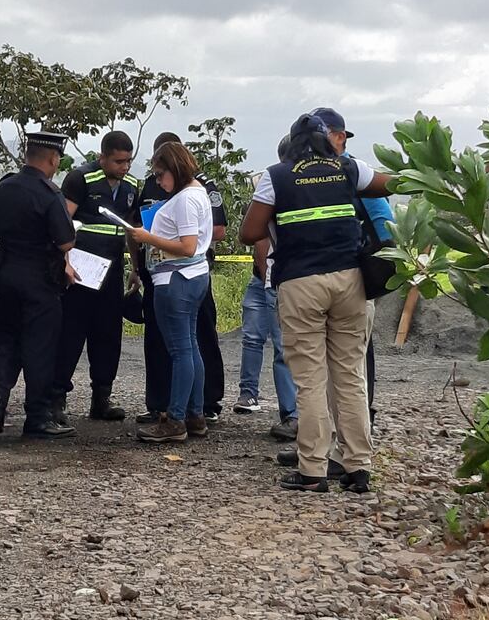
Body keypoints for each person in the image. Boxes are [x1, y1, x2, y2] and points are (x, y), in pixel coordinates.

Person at [239, 113, 392, 493]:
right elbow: (390, 185)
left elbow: (249, 232)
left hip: (301, 283)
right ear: (329, 141)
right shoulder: (348, 168)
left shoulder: (276, 176)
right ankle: (358, 467)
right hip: (350, 281)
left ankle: (313, 470)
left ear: (291, 144)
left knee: (309, 380)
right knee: (350, 376)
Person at [0, 132, 79, 439]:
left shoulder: (3, 188)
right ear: (52, 159)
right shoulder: (49, 195)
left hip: (5, 274)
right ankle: (36, 418)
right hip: (39, 280)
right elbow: (66, 241)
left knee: (8, 339)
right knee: (40, 348)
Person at [135, 132, 227, 425]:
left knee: (180, 351)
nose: (158, 182)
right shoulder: (193, 193)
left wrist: (148, 237)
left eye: (161, 175)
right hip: (187, 277)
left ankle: (176, 417)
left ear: (174, 169)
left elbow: (188, 246)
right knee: (189, 346)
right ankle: (195, 412)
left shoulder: (186, 199)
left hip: (178, 279)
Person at [51, 130, 140, 422]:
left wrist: (135, 269)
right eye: (118, 161)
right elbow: (62, 223)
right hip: (80, 270)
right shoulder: (80, 178)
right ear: (102, 157)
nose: (124, 167)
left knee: (108, 335)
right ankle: (57, 399)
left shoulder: (131, 185)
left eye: (128, 161)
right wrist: (64, 261)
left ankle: (101, 398)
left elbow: (132, 230)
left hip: (112, 271)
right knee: (71, 334)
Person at [234, 142, 297, 432]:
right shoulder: (271, 186)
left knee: (283, 348)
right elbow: (254, 238)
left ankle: (291, 413)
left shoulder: (285, 188)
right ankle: (249, 394)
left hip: (279, 279)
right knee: (253, 339)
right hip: (263, 279)